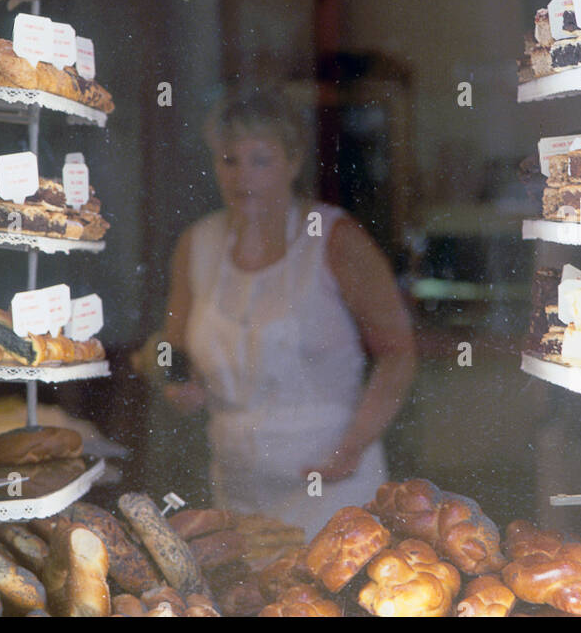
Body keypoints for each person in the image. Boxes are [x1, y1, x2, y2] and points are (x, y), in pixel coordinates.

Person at [135, 83, 416, 537]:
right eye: (229, 160)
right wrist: (173, 378)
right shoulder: (198, 243)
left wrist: (352, 447)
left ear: (293, 162)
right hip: (238, 484)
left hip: (334, 482)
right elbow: (170, 346)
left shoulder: (334, 239)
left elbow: (398, 353)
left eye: (260, 160)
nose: (243, 176)